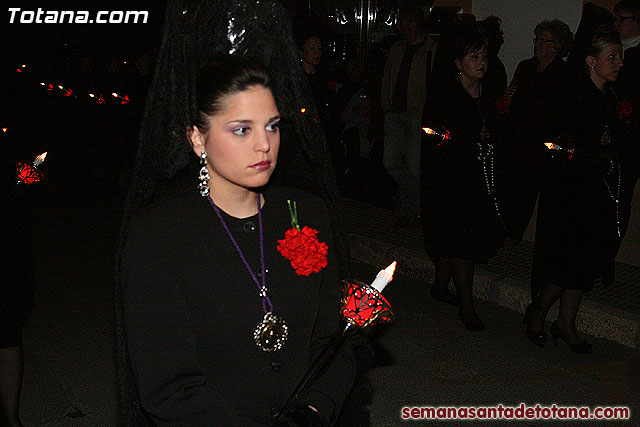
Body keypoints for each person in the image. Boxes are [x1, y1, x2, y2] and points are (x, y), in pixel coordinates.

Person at [120, 54, 355, 426]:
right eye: (242, 130)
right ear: (197, 138)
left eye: (272, 126)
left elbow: (334, 338)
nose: (265, 145)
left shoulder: (307, 213)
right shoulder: (159, 234)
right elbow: (166, 384)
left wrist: (314, 410)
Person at [525, 25, 625, 354]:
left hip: (597, 192)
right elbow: (553, 144)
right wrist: (579, 157)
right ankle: (538, 312)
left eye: (620, 56)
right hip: (571, 193)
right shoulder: (574, 96)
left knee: (585, 262)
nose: (619, 63)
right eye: (612, 56)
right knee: (566, 261)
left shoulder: (608, 97)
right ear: (591, 61)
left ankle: (566, 322)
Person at [420, 29, 504, 332]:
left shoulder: (489, 92)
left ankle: (441, 286)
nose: (481, 63)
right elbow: (432, 133)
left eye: (484, 56)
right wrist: (456, 143)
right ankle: (467, 305)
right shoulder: (445, 93)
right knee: (461, 238)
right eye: (474, 57)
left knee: (460, 235)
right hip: (451, 179)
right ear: (458, 62)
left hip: (481, 178)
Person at [500, 20, 573, 246]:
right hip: (517, 136)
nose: (537, 45)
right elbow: (511, 96)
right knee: (509, 186)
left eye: (543, 41)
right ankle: (502, 228)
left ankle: (514, 234)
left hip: (542, 142)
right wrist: (508, 97)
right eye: (536, 40)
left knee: (527, 190)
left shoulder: (563, 73)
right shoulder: (526, 66)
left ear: (557, 45)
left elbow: (561, 111)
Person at [381, 6, 437, 228]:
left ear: (412, 23)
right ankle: (420, 205)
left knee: (413, 167)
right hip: (394, 114)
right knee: (391, 163)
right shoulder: (397, 49)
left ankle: (407, 211)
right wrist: (386, 106)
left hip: (416, 115)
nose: (398, 26)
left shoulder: (432, 49)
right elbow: (386, 77)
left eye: (402, 21)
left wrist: (425, 113)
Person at [0, 144, 37, 427]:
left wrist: (28, 176)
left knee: (7, 335)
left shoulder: (9, 158)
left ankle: (11, 417)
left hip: (7, 257)